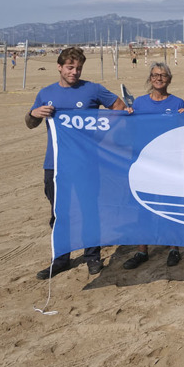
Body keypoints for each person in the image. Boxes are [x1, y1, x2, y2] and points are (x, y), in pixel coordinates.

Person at [26, 47, 126, 279]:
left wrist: (103, 136)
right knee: (60, 213)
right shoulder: (45, 93)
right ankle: (61, 259)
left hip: (87, 163)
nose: (75, 72)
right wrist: (35, 113)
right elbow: (30, 123)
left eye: (78, 68)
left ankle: (92, 257)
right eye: (70, 67)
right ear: (59, 67)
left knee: (89, 210)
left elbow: (119, 108)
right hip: (56, 164)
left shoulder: (92, 89)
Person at [123, 62, 184, 270]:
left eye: (163, 75)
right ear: (150, 79)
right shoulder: (139, 104)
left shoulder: (178, 103)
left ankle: (173, 248)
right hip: (145, 164)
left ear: (170, 79)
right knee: (143, 207)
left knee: (170, 206)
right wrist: (127, 115)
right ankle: (142, 250)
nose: (159, 78)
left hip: (169, 164)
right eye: (155, 75)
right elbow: (128, 131)